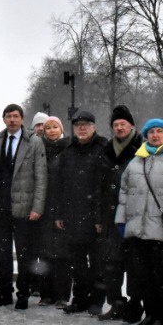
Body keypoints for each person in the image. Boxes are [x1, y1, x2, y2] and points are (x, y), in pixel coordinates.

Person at [116, 118, 163, 325]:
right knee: (144, 277)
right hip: (138, 230)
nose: (155, 135)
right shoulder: (137, 161)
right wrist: (121, 220)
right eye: (151, 132)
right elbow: (124, 193)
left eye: (159, 131)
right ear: (145, 135)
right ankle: (150, 315)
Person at [0, 104, 47, 309]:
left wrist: (37, 206)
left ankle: (23, 294)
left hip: (24, 207)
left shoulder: (34, 142)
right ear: (3, 119)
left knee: (23, 254)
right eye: (8, 116)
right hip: (0, 207)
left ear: (22, 119)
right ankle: (3, 293)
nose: (12, 120)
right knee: (1, 253)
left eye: (15, 116)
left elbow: (41, 176)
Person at [47, 111, 110, 312]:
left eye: (86, 124)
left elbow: (105, 186)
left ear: (94, 127)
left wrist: (100, 216)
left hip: (95, 217)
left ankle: (97, 301)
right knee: (78, 263)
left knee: (98, 263)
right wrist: (58, 213)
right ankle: (80, 299)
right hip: (73, 216)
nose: (82, 128)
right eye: (78, 125)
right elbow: (59, 184)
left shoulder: (103, 148)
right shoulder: (69, 151)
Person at [99, 105, 143, 320]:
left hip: (134, 215)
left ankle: (135, 306)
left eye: (123, 124)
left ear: (131, 125)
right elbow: (99, 185)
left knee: (135, 266)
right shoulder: (107, 150)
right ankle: (116, 303)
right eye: (115, 125)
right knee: (112, 265)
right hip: (110, 217)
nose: (119, 128)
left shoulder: (142, 148)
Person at [37, 116, 70, 305]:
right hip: (43, 208)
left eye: (55, 127)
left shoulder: (68, 149)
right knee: (45, 254)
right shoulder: (40, 149)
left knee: (62, 255)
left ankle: (63, 294)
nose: (51, 130)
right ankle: (46, 293)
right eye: (48, 127)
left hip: (61, 208)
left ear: (61, 129)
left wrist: (62, 210)